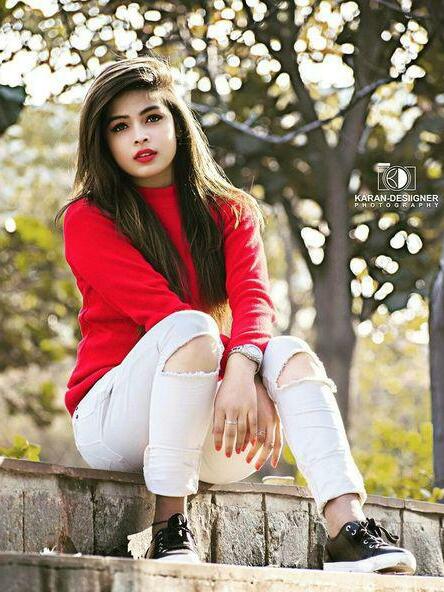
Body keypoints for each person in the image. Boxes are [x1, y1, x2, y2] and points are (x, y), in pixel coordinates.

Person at [55, 54, 416, 575]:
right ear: (104, 141)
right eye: (120, 126)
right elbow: (161, 313)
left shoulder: (230, 210)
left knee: (290, 352)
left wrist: (248, 372)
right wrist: (244, 374)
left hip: (211, 425)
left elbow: (254, 301)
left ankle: (348, 527)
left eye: (152, 117)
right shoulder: (89, 217)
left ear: (177, 123)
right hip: (114, 420)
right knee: (192, 327)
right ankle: (168, 527)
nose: (140, 135)